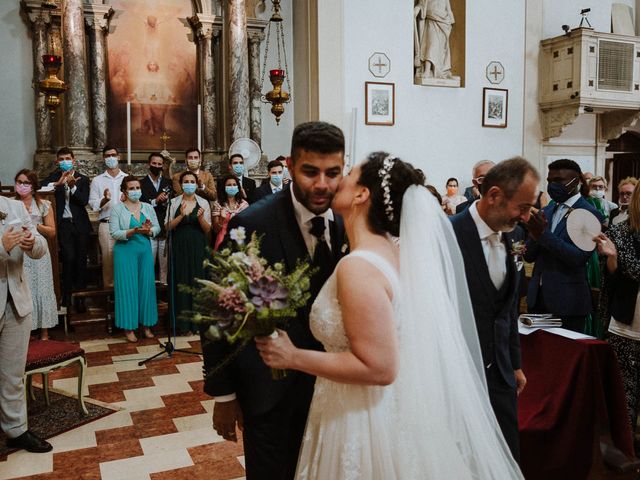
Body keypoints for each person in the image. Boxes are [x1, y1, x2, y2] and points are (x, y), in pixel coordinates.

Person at [255, 152, 522, 479]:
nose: (337, 180)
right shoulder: (396, 254)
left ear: (361, 194)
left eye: (348, 174)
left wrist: (292, 356)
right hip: (391, 411)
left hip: (360, 421)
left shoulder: (359, 267)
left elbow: (378, 366)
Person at [201, 121, 347, 480]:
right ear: (290, 165)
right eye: (310, 172)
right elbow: (220, 311)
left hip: (334, 391)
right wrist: (223, 394)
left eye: (333, 173)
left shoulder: (348, 223)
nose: (322, 184)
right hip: (268, 393)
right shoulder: (252, 223)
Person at [450, 157, 538, 460]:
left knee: (504, 456)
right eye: (523, 207)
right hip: (458, 374)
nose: (527, 216)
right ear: (494, 195)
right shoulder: (448, 236)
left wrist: (514, 362)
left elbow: (509, 307)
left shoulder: (513, 235)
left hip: (501, 374)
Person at [525, 159, 604, 333]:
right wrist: (532, 232)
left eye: (558, 181)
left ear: (576, 182)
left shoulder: (589, 213)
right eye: (549, 181)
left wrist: (543, 235)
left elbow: (577, 258)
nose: (552, 185)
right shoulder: (547, 210)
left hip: (568, 302)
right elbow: (529, 256)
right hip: (537, 298)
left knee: (563, 358)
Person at [0, 194, 50, 452]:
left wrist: (32, 243)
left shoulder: (14, 205)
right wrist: (2, 246)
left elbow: (41, 247)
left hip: (15, 301)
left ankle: (16, 430)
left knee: (12, 373)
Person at [596, 185, 640, 437]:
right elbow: (612, 281)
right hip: (626, 324)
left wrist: (620, 260)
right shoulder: (619, 232)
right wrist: (613, 260)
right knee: (624, 395)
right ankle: (626, 450)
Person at [110, 176, 160, 343]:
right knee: (127, 289)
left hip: (144, 249)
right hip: (125, 251)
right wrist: (132, 231)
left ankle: (146, 325)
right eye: (131, 188)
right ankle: (129, 327)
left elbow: (157, 227)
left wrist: (148, 231)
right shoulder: (117, 209)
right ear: (124, 191)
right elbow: (114, 232)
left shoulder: (147, 207)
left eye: (137, 187)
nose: (135, 191)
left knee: (146, 286)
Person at [41, 147, 91, 310]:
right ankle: (67, 297)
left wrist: (73, 187)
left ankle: (81, 298)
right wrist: (58, 184)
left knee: (81, 260)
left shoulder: (82, 179)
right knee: (68, 258)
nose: (64, 162)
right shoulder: (53, 178)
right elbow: (41, 190)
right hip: (63, 225)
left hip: (80, 225)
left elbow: (84, 201)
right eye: (61, 159)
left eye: (67, 158)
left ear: (73, 160)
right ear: (57, 161)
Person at [166, 171, 211, 336]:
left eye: (192, 181)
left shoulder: (204, 202)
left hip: (198, 245)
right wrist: (180, 216)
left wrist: (200, 219)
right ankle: (183, 325)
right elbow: (167, 227)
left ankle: (199, 324)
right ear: (181, 184)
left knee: (198, 280)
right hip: (179, 245)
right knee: (181, 280)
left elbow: (208, 230)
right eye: (186, 181)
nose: (189, 184)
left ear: (196, 183)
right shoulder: (173, 202)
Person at [15, 170, 57, 340]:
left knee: (42, 287)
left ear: (33, 186)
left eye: (26, 183)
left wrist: (35, 224)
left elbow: (52, 232)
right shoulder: (10, 205)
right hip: (19, 248)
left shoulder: (44, 205)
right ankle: (27, 330)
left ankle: (44, 331)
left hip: (39, 249)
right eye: (19, 182)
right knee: (25, 289)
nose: (22, 186)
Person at [89, 145, 128, 288]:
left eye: (113, 155)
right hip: (107, 224)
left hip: (125, 225)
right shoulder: (97, 180)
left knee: (125, 259)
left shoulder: (127, 178)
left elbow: (136, 201)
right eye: (107, 156)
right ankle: (110, 296)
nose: (111, 158)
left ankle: (126, 291)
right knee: (108, 261)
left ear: (119, 157)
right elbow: (92, 204)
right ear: (104, 159)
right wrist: (104, 200)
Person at [140, 152, 173, 284]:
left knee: (164, 266)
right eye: (154, 163)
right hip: (149, 229)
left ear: (163, 166)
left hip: (164, 228)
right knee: (149, 264)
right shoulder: (141, 184)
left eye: (159, 164)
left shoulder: (168, 183)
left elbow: (172, 202)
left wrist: (165, 201)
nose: (157, 166)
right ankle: (150, 290)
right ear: (149, 164)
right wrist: (155, 201)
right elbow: (141, 205)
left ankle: (164, 291)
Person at [212, 174, 249, 250]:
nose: (232, 187)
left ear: (238, 187)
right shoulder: (218, 204)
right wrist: (222, 219)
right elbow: (215, 230)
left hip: (240, 240)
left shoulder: (244, 204)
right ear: (224, 188)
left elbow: (248, 226)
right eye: (229, 185)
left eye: (234, 184)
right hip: (222, 240)